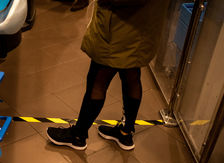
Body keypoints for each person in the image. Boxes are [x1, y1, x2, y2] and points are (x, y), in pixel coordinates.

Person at [47, 0, 169, 151]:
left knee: (97, 81)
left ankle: (78, 135)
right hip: (143, 26)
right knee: (131, 75)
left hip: (118, 29)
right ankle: (125, 132)